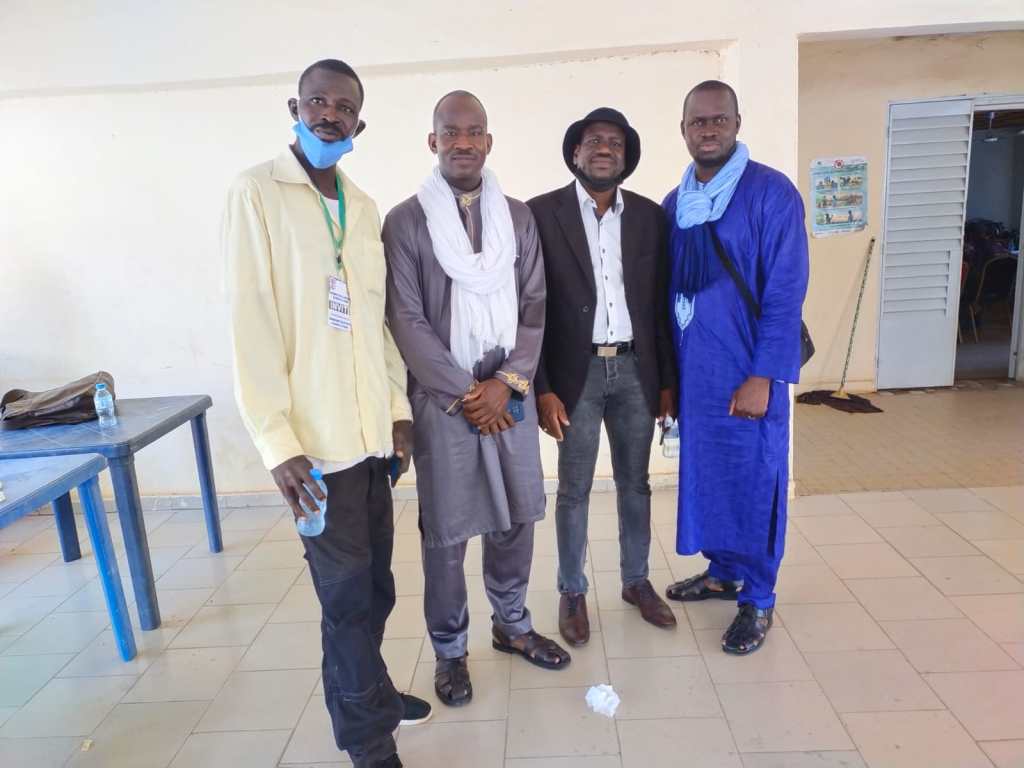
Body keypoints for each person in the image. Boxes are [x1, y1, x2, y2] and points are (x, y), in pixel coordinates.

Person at [224, 58, 430, 768]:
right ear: (295, 108)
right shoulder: (256, 193)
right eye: (317, 101)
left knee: (376, 589)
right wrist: (276, 441)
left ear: (359, 124)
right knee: (345, 600)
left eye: (343, 107)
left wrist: (398, 411)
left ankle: (369, 691)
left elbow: (375, 323)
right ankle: (369, 741)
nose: (329, 115)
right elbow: (250, 322)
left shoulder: (362, 207)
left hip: (371, 442)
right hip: (313, 452)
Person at [383, 90, 571, 708]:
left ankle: (512, 624)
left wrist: (506, 383)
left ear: (488, 141)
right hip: (446, 401)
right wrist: (467, 391)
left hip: (508, 391)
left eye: (473, 132)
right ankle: (449, 650)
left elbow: (535, 304)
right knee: (447, 530)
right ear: (432, 141)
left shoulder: (518, 218)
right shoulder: (406, 222)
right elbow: (406, 318)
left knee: (517, 516)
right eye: (450, 132)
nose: (462, 142)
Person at [662, 80, 809, 655]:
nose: (709, 130)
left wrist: (763, 375)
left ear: (737, 123)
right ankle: (723, 572)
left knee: (757, 480)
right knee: (710, 475)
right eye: (698, 121)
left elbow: (785, 293)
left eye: (719, 119)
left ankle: (760, 597)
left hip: (748, 371)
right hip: (697, 374)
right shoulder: (676, 204)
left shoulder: (771, 194)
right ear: (683, 129)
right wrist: (669, 379)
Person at [526, 108, 677, 647]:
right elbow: (531, 309)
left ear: (626, 156)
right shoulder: (540, 214)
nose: (604, 148)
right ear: (576, 152)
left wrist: (666, 380)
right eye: (593, 140)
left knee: (636, 483)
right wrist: (542, 387)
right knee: (574, 489)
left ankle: (636, 581)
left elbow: (658, 303)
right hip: (576, 375)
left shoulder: (650, 217)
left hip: (636, 370)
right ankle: (572, 590)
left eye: (614, 141)